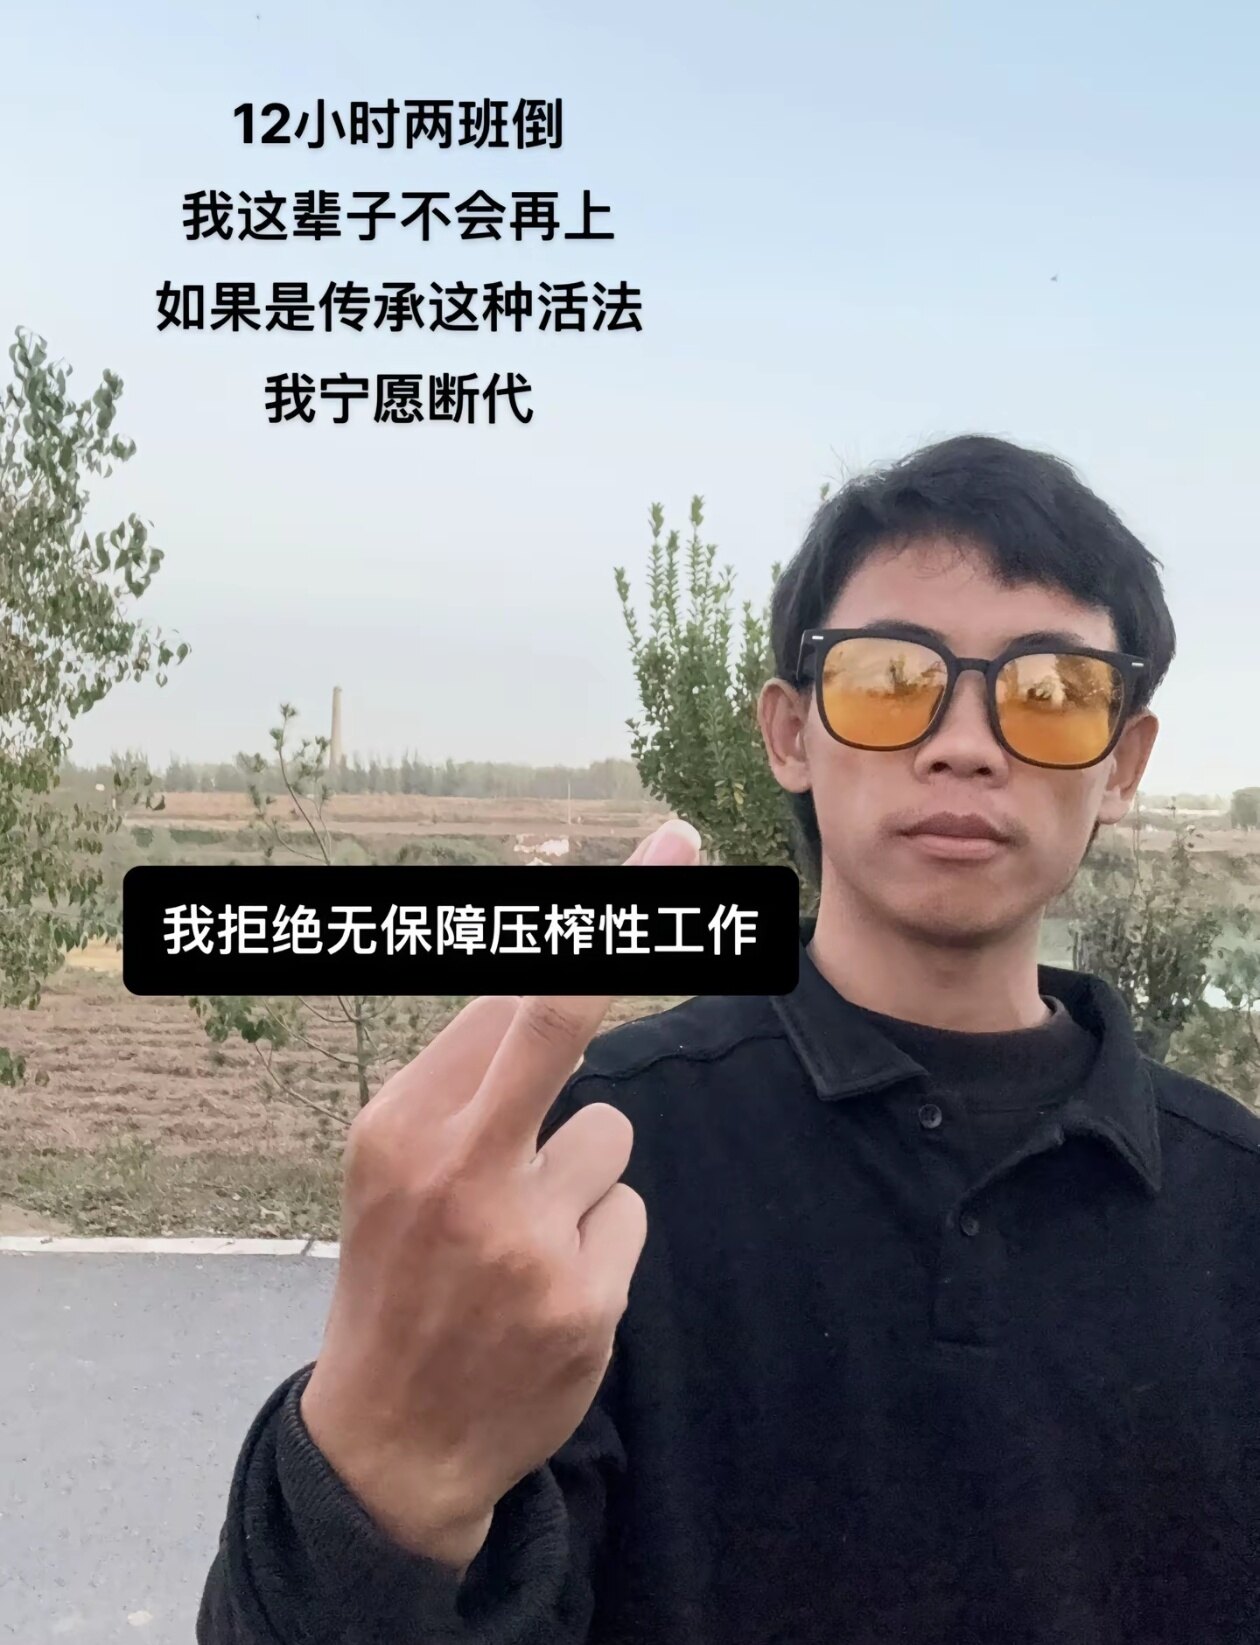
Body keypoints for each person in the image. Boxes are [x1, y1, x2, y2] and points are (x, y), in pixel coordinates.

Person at [197, 435, 1260, 1645]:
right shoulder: (598, 1159)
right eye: (890, 679)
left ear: (1124, 762)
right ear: (791, 733)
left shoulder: (1237, 1208)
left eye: (1050, 692)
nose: (965, 743)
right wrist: (375, 1489)